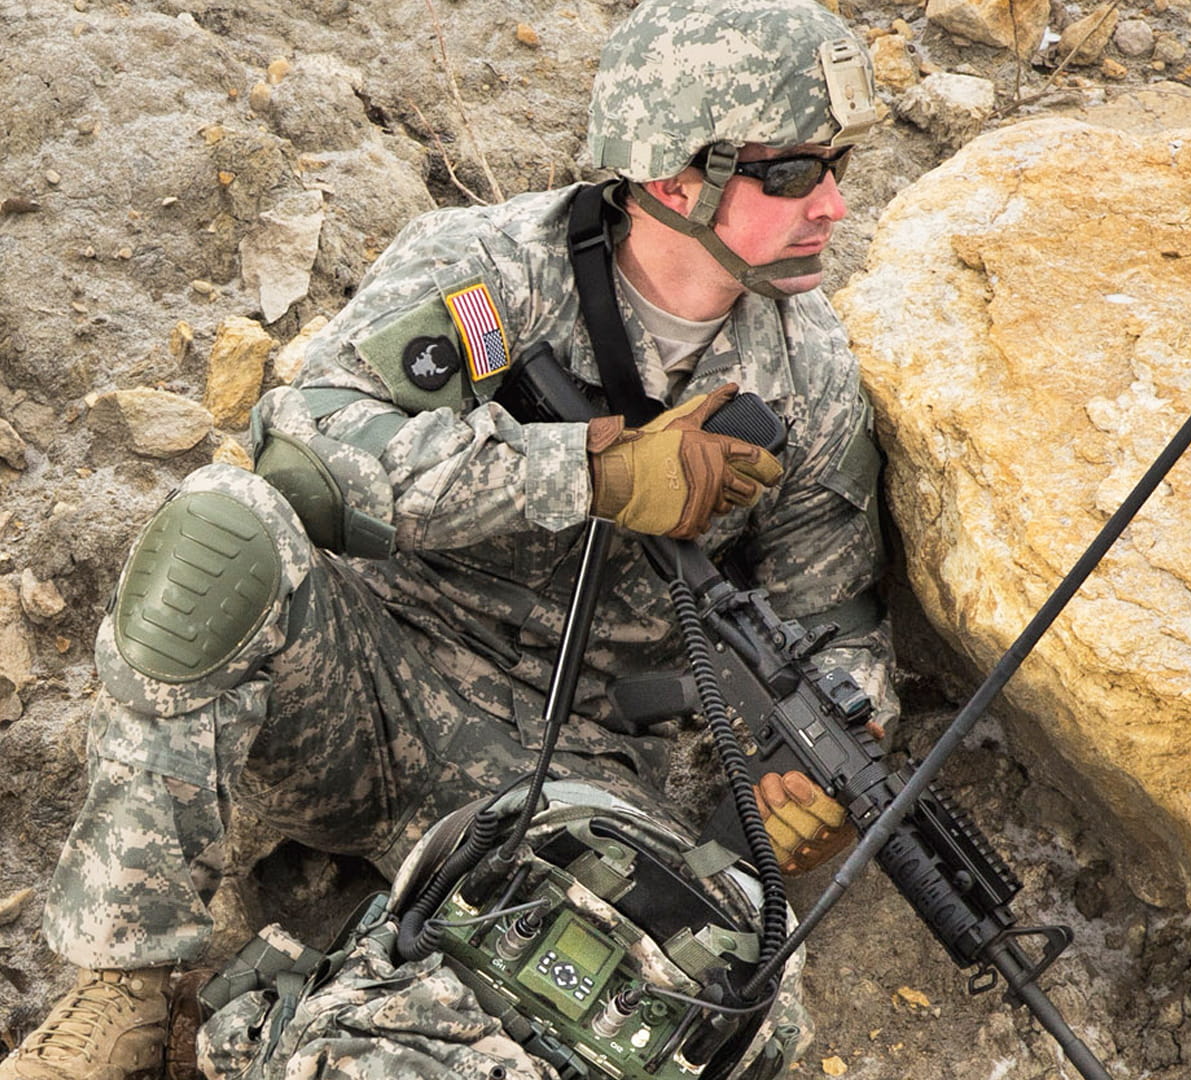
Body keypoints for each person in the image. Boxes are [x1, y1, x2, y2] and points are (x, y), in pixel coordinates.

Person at [0, 0, 894, 1076]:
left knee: (714, 992)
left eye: (834, 165)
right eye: (793, 174)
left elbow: (832, 618)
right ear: (674, 179)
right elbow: (308, 446)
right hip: (368, 688)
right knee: (220, 535)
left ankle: (289, 1023)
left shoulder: (812, 377)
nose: (834, 205)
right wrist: (590, 473)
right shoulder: (491, 271)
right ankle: (128, 986)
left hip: (571, 779)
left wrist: (817, 775)